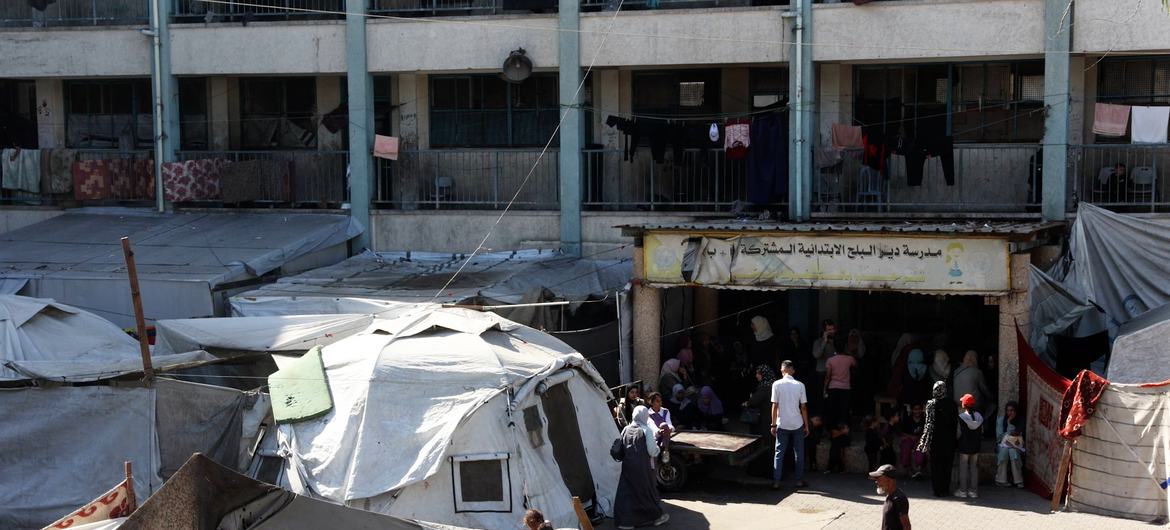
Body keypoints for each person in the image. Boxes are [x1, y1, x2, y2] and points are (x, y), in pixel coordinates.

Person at [611, 406, 671, 530]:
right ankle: (656, 518)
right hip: (643, 468)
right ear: (644, 416)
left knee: (627, 494)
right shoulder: (646, 430)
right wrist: (658, 448)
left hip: (628, 467)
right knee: (646, 492)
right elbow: (652, 451)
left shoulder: (626, 429)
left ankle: (626, 522)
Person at [770, 360, 810, 489]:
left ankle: (776, 482)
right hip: (797, 423)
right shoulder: (800, 385)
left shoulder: (776, 384)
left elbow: (774, 406)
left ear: (782, 370)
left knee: (779, 453)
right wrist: (806, 425)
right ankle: (798, 480)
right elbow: (803, 407)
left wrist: (773, 424)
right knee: (799, 453)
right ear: (792, 370)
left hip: (782, 423)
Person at [918, 381, 958, 497]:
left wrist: (925, 442)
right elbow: (954, 424)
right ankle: (945, 489)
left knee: (936, 466)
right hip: (949, 440)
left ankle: (937, 490)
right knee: (947, 465)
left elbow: (928, 425)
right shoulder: (952, 404)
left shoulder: (931, 404)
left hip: (935, 441)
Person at [956, 393, 984, 499]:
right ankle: (974, 491)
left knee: (963, 468)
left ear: (964, 405)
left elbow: (958, 434)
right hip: (975, 447)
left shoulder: (961, 417)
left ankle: (963, 491)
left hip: (964, 447)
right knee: (974, 468)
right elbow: (981, 432)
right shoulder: (979, 417)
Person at [869, 464, 911, 530]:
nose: (876, 482)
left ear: (889, 481)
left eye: (879, 479)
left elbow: (907, 526)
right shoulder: (889, 495)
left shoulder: (899, 498)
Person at [952, 350, 992, 418]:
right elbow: (984, 390)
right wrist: (991, 397)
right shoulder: (977, 372)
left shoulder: (956, 371)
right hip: (972, 406)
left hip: (957, 405)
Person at [823, 349, 857, 428]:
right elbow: (855, 365)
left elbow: (828, 376)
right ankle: (844, 429)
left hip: (833, 387)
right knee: (844, 410)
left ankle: (832, 428)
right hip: (845, 387)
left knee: (833, 409)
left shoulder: (830, 360)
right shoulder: (849, 358)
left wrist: (824, 389)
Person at [996, 401, 1026, 488]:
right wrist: (1009, 424)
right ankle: (1001, 480)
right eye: (1008, 410)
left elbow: (1020, 434)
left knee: (1013, 452)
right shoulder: (1001, 420)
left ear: (1016, 411)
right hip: (1003, 444)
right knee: (1004, 451)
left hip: (1016, 444)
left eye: (1012, 410)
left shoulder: (1020, 420)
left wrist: (1014, 437)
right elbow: (999, 437)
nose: (1010, 413)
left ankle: (1018, 480)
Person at [810, 320, 838, 413]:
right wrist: (824, 341)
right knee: (821, 398)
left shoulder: (837, 342)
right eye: (829, 330)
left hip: (835, 373)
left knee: (833, 397)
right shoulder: (818, 342)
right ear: (824, 331)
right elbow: (816, 355)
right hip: (822, 373)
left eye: (832, 329)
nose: (832, 331)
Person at [897, 404, 927, 479]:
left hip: (920, 439)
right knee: (905, 447)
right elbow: (902, 432)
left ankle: (918, 469)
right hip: (909, 438)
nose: (917, 411)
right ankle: (906, 468)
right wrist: (911, 437)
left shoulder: (924, 420)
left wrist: (919, 439)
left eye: (919, 409)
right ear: (912, 410)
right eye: (915, 409)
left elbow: (926, 432)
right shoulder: (908, 420)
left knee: (920, 449)